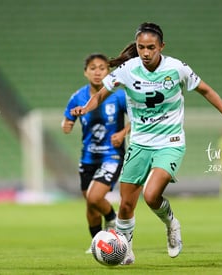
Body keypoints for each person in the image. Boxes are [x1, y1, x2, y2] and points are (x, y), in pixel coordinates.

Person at [70, 22, 222, 264]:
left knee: (152, 195)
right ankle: (126, 251)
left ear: (161, 47)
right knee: (125, 206)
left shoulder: (177, 68)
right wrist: (85, 108)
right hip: (140, 143)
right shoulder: (128, 69)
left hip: (170, 142)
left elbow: (207, 91)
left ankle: (171, 224)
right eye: (141, 47)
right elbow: (101, 94)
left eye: (151, 47)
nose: (145, 52)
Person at [61, 53, 130, 253]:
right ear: (85, 72)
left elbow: (137, 118)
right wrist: (67, 124)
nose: (98, 72)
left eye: (102, 68)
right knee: (91, 205)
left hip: (112, 155)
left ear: (108, 72)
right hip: (88, 157)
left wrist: (123, 132)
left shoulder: (118, 95)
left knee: (94, 197)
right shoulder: (78, 97)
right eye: (93, 68)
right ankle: (98, 244)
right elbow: (67, 121)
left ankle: (112, 220)